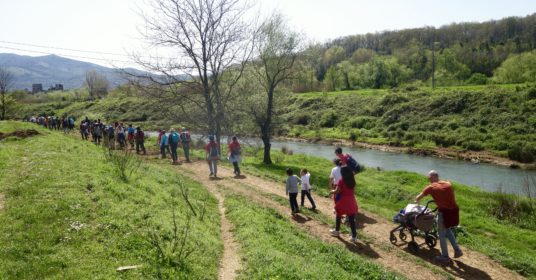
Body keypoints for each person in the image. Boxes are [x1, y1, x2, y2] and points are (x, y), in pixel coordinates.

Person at [415, 170, 463, 263]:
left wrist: (417, 203)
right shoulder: (448, 183)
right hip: (454, 211)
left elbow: (418, 198)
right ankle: (457, 251)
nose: (428, 180)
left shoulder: (430, 187)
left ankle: (445, 256)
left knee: (441, 234)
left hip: (444, 213)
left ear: (432, 177)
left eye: (429, 178)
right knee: (448, 229)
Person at [330, 166, 358, 243]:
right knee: (351, 219)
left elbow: (337, 191)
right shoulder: (352, 181)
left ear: (343, 173)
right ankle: (354, 236)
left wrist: (332, 191)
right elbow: (353, 191)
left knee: (338, 215)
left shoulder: (341, 181)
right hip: (352, 200)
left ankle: (337, 231)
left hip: (343, 201)